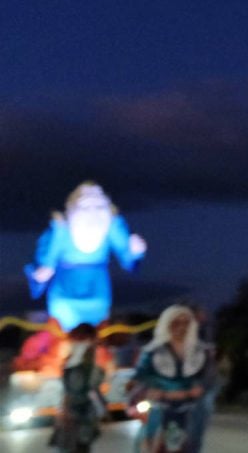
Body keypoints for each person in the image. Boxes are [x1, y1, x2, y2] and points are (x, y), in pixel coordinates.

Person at [25, 181, 147, 330]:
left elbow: (127, 257)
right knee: (63, 339)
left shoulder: (112, 226)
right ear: (71, 209)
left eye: (99, 206)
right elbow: (46, 260)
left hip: (97, 292)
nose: (92, 212)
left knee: (95, 336)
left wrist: (135, 252)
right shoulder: (60, 230)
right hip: (64, 294)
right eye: (86, 206)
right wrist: (42, 273)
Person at [134, 305, 213, 453]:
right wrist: (158, 390)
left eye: (185, 323)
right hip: (160, 403)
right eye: (176, 322)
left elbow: (208, 377)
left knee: (192, 441)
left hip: (190, 405)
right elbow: (142, 375)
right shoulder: (152, 351)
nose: (181, 327)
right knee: (149, 440)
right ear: (167, 324)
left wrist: (198, 388)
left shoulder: (202, 351)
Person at [52, 323, 104, 453]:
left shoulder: (83, 363)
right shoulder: (79, 364)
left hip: (78, 413)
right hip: (77, 414)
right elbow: (76, 390)